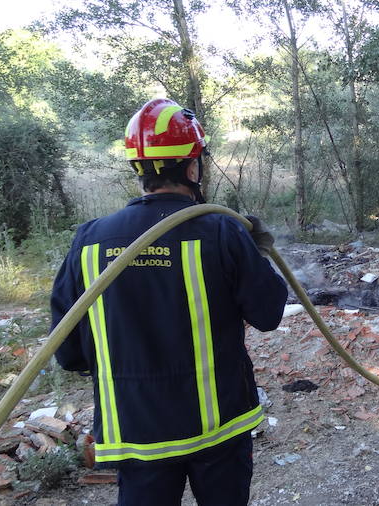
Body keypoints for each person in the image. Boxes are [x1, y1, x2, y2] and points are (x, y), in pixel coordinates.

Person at [50, 98, 288, 505]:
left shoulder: (89, 242)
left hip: (135, 433)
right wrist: (255, 253)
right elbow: (268, 314)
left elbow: (68, 352)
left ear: (137, 167)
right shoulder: (220, 232)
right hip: (217, 428)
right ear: (192, 167)